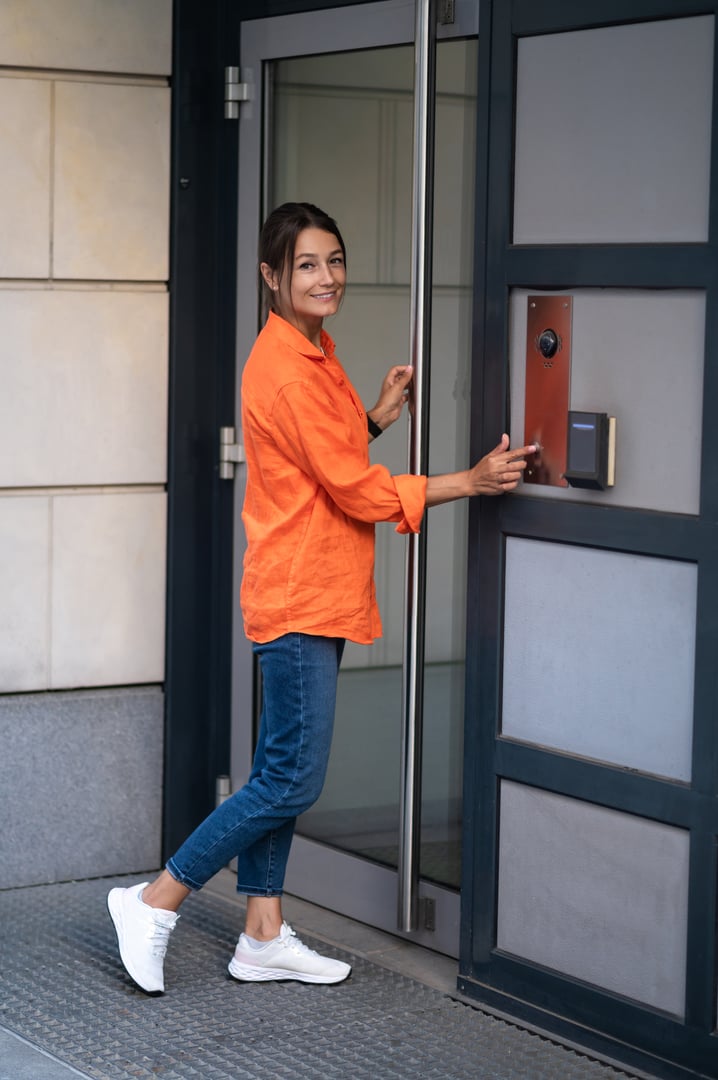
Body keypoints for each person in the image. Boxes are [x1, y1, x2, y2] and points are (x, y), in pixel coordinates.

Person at [107, 202, 535, 994]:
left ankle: (262, 933)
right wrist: (469, 483)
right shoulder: (286, 365)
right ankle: (154, 899)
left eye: (334, 260)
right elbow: (353, 489)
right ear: (271, 276)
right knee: (289, 780)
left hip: (314, 586)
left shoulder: (311, 353)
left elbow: (319, 460)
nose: (327, 276)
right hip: (301, 592)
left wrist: (372, 415)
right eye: (307, 264)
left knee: (283, 766)